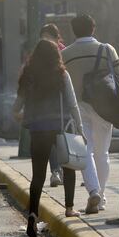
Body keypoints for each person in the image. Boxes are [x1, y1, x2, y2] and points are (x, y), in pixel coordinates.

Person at [13, 39, 85, 237]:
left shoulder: (28, 75)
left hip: (38, 129)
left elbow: (17, 105)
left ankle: (33, 215)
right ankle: (69, 208)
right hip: (60, 127)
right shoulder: (61, 74)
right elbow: (72, 104)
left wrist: (18, 114)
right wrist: (80, 128)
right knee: (68, 166)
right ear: (56, 55)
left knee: (38, 175)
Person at [62, 14, 119, 214]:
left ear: (74, 31)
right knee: (102, 152)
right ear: (93, 28)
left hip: (78, 107)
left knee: (86, 150)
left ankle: (93, 191)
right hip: (104, 107)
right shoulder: (107, 50)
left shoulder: (65, 54)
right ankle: (101, 196)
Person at [40, 24, 67, 186]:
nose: (46, 40)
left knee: (63, 139)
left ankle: (64, 170)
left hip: (62, 103)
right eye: (43, 37)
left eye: (48, 37)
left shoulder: (65, 52)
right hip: (46, 104)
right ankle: (56, 171)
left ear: (57, 38)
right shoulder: (38, 54)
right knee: (51, 139)